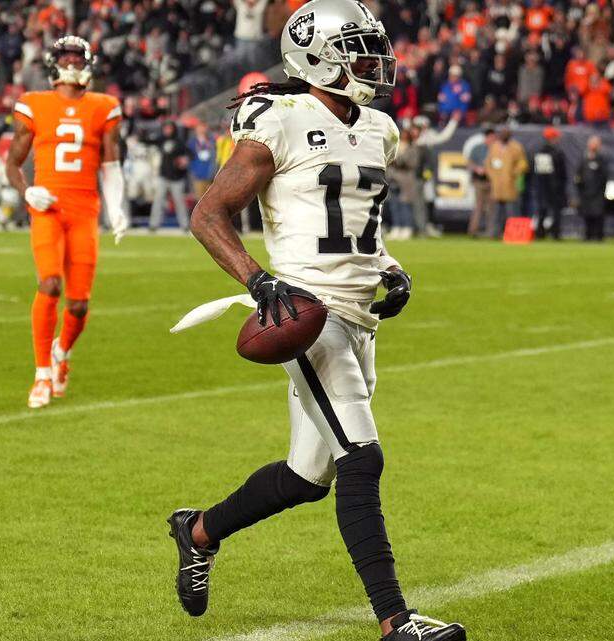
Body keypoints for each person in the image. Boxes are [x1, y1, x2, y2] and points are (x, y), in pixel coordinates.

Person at [170, 1, 467, 639]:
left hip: (360, 314)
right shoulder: (279, 118)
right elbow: (208, 213)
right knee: (362, 458)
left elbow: (359, 223)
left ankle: (197, 531)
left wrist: (390, 267)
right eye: (359, 50)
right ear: (319, 58)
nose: (374, 62)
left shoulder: (379, 127)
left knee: (309, 476)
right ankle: (395, 621)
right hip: (307, 311)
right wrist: (258, 280)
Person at [5, 36, 125, 409]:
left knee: (77, 305)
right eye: (66, 58)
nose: (72, 64)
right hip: (47, 206)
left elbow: (110, 164)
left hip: (84, 209)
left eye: (78, 58)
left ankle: (62, 352)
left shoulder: (104, 106)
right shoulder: (34, 104)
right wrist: (27, 191)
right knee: (50, 283)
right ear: (54, 64)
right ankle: (41, 373)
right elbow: (12, 162)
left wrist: (117, 207)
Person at [485, 128, 527, 238]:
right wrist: (492, 176)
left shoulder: (516, 147)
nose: (504, 136)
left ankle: (514, 235)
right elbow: (488, 163)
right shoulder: (494, 147)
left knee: (512, 212)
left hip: (510, 184)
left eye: (506, 134)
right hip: (497, 185)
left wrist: (514, 172)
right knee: (496, 213)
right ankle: (494, 234)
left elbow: (523, 164)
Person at [149, 121, 190, 232]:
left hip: (177, 178)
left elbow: (189, 154)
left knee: (179, 202)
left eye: (169, 128)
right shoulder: (161, 140)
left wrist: (184, 160)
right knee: (158, 201)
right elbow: (149, 141)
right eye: (165, 128)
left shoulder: (179, 141)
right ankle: (154, 224)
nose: (167, 130)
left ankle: (185, 225)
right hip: (163, 176)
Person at [530, 127, 567, 240]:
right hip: (555, 187)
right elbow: (562, 173)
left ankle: (540, 233)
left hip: (542, 187)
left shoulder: (538, 152)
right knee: (555, 212)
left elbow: (534, 171)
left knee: (542, 210)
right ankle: (555, 233)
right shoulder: (557, 153)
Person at [575, 135, 608, 241]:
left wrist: (600, 188)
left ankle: (599, 235)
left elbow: (605, 175)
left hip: (597, 191)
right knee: (587, 214)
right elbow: (578, 174)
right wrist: (579, 185)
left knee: (598, 214)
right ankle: (588, 234)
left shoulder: (602, 158)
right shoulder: (584, 158)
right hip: (585, 191)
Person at [466, 127, 494, 236]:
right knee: (478, 206)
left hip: (491, 181)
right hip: (479, 181)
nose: (492, 139)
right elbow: (469, 163)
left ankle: (491, 231)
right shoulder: (477, 148)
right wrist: (477, 168)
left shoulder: (495, 149)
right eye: (490, 137)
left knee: (491, 208)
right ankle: (473, 230)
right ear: (486, 137)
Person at [187, 121, 218, 201]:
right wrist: (193, 171)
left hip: (211, 176)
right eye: (200, 127)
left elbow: (216, 157)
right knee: (200, 202)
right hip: (198, 176)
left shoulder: (212, 141)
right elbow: (189, 159)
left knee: (212, 200)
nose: (202, 129)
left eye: (204, 127)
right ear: (196, 129)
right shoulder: (192, 143)